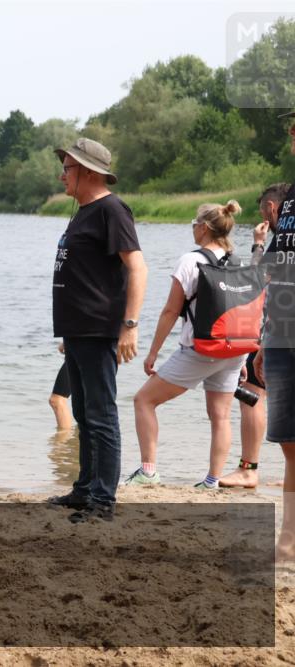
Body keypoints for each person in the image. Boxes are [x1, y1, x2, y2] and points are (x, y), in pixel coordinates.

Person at [47, 138, 148, 522]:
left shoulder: (112, 209)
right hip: (78, 329)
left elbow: (138, 267)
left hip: (100, 328)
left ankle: (103, 500)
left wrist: (130, 325)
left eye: (67, 168)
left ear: (89, 172)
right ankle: (85, 489)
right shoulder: (84, 211)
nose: (62, 175)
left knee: (101, 413)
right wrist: (69, 330)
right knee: (83, 412)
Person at [127, 201, 247, 489]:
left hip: (201, 349)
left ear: (204, 228)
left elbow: (170, 311)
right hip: (235, 349)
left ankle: (148, 471)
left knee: (144, 400)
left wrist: (153, 352)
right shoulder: (238, 261)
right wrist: (244, 356)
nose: (192, 228)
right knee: (220, 416)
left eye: (194, 223)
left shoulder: (190, 261)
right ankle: (212, 481)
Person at [219, 183, 289, 488]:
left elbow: (258, 278)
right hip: (276, 326)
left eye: (264, 213)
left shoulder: (279, 238)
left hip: (274, 327)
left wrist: (258, 243)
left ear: (272, 209)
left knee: (251, 392)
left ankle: (249, 468)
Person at [253, 111, 295, 563]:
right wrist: (266, 338)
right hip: (282, 334)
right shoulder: (290, 201)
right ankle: (288, 540)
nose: (292, 134)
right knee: (288, 442)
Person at [49, 345, 73, 431]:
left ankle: (63, 441)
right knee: (86, 403)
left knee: (57, 400)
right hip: (83, 344)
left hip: (84, 347)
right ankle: (73, 441)